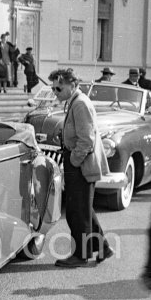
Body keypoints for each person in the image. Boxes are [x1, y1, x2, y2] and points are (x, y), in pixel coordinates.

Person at [49, 68, 115, 268]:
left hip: (81, 164)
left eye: (59, 88)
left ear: (72, 85)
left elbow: (87, 140)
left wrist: (74, 162)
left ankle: (81, 255)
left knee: (77, 212)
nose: (55, 92)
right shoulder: (75, 102)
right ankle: (103, 247)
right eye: (53, 88)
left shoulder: (80, 104)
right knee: (83, 210)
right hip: (79, 162)